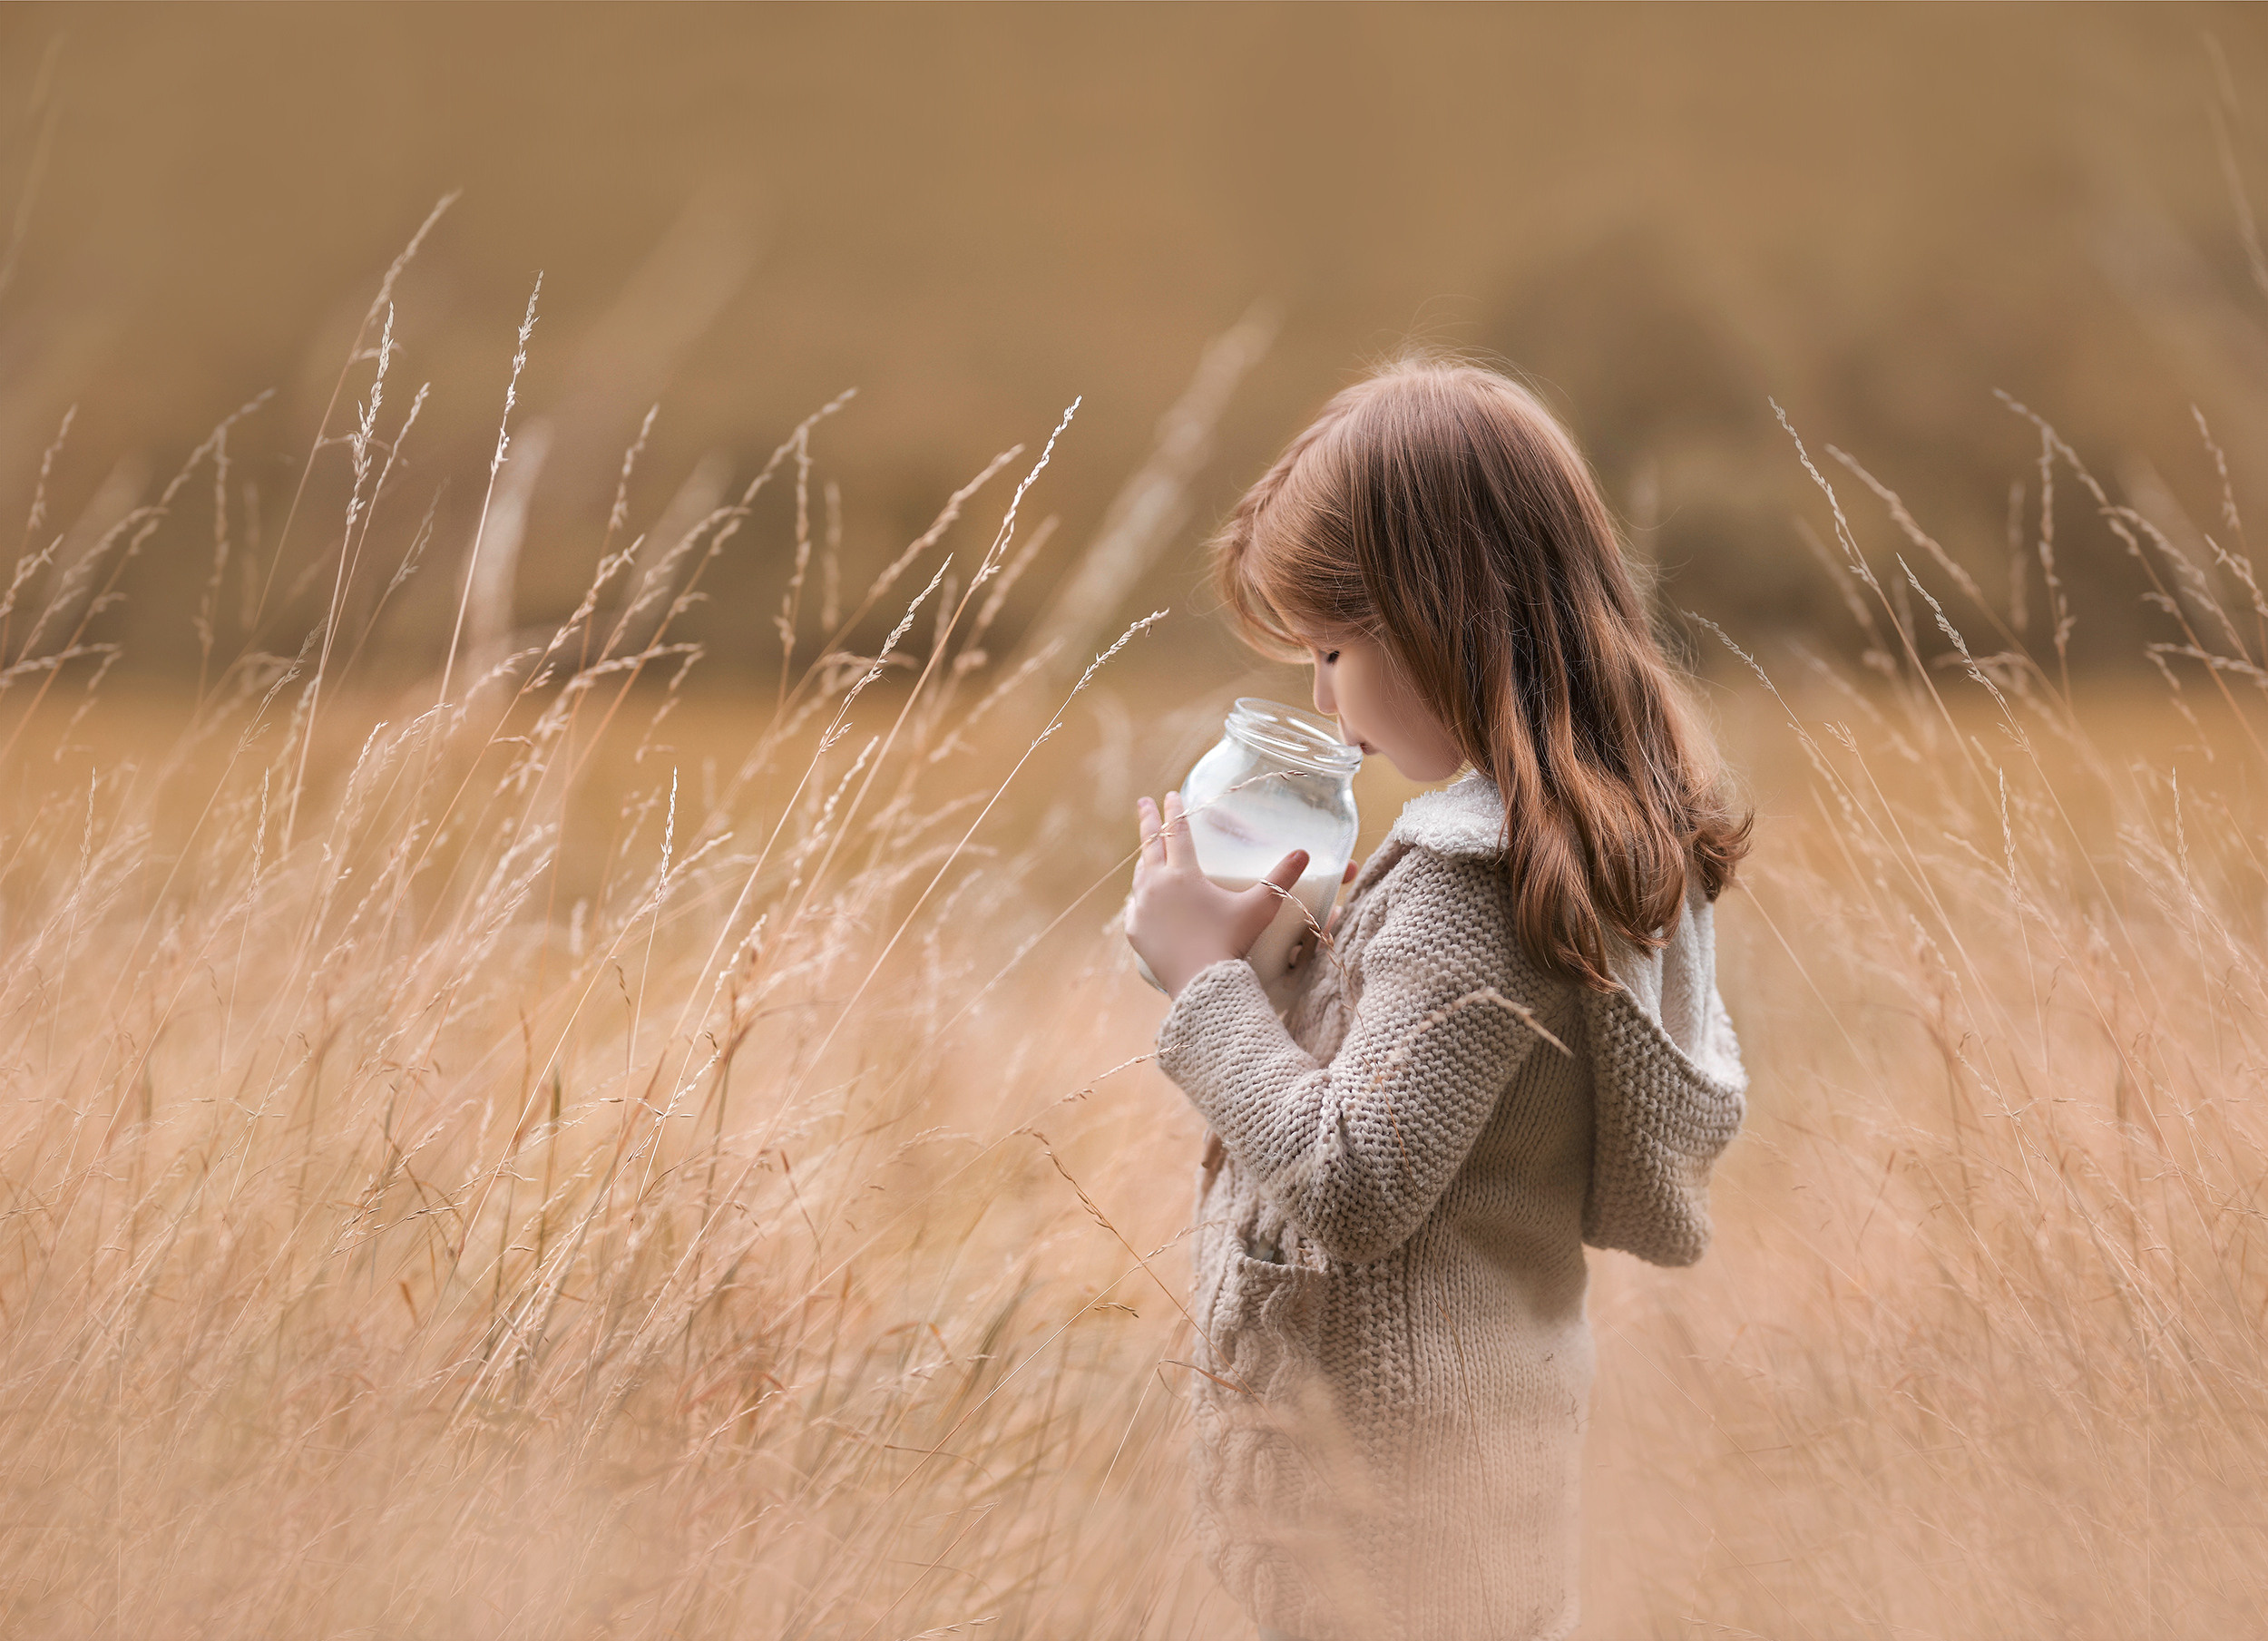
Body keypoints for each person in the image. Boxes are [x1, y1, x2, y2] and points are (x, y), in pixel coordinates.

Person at [1125, 357, 1752, 1641]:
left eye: (1334, 649)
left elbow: (1354, 1180)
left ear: (1440, 614)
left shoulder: (1473, 887)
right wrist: (1297, 969)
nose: (1321, 696)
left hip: (1400, 1542)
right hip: (1459, 1512)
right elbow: (1408, 1118)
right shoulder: (1528, 861)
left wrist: (1205, 990)